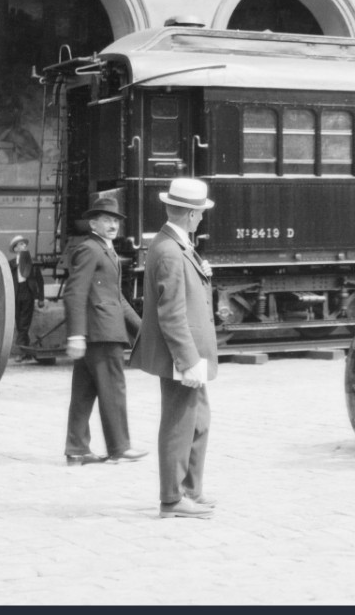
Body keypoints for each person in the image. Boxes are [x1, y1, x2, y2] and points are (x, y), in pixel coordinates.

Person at [134, 178, 218, 519]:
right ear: (190, 214)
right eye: (199, 213)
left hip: (188, 352)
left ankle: (189, 490)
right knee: (178, 423)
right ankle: (172, 498)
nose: (201, 219)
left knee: (197, 420)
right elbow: (171, 314)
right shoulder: (170, 249)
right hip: (181, 354)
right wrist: (188, 360)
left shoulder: (174, 243)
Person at [62, 196, 148, 466]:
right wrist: (76, 335)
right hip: (102, 332)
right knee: (113, 389)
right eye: (106, 220)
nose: (113, 225)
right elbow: (75, 292)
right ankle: (120, 447)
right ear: (93, 223)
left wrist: (143, 330)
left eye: (116, 220)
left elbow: (117, 298)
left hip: (100, 330)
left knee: (84, 392)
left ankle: (77, 450)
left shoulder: (105, 250)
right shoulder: (90, 249)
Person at [8, 235, 45, 360]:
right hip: (16, 294)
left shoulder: (32, 261)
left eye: (25, 244)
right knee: (19, 323)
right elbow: (6, 280)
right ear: (16, 248)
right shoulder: (11, 264)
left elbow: (40, 281)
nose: (24, 246)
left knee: (24, 323)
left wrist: (41, 298)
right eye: (21, 244)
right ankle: (27, 351)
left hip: (28, 293)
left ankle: (21, 351)